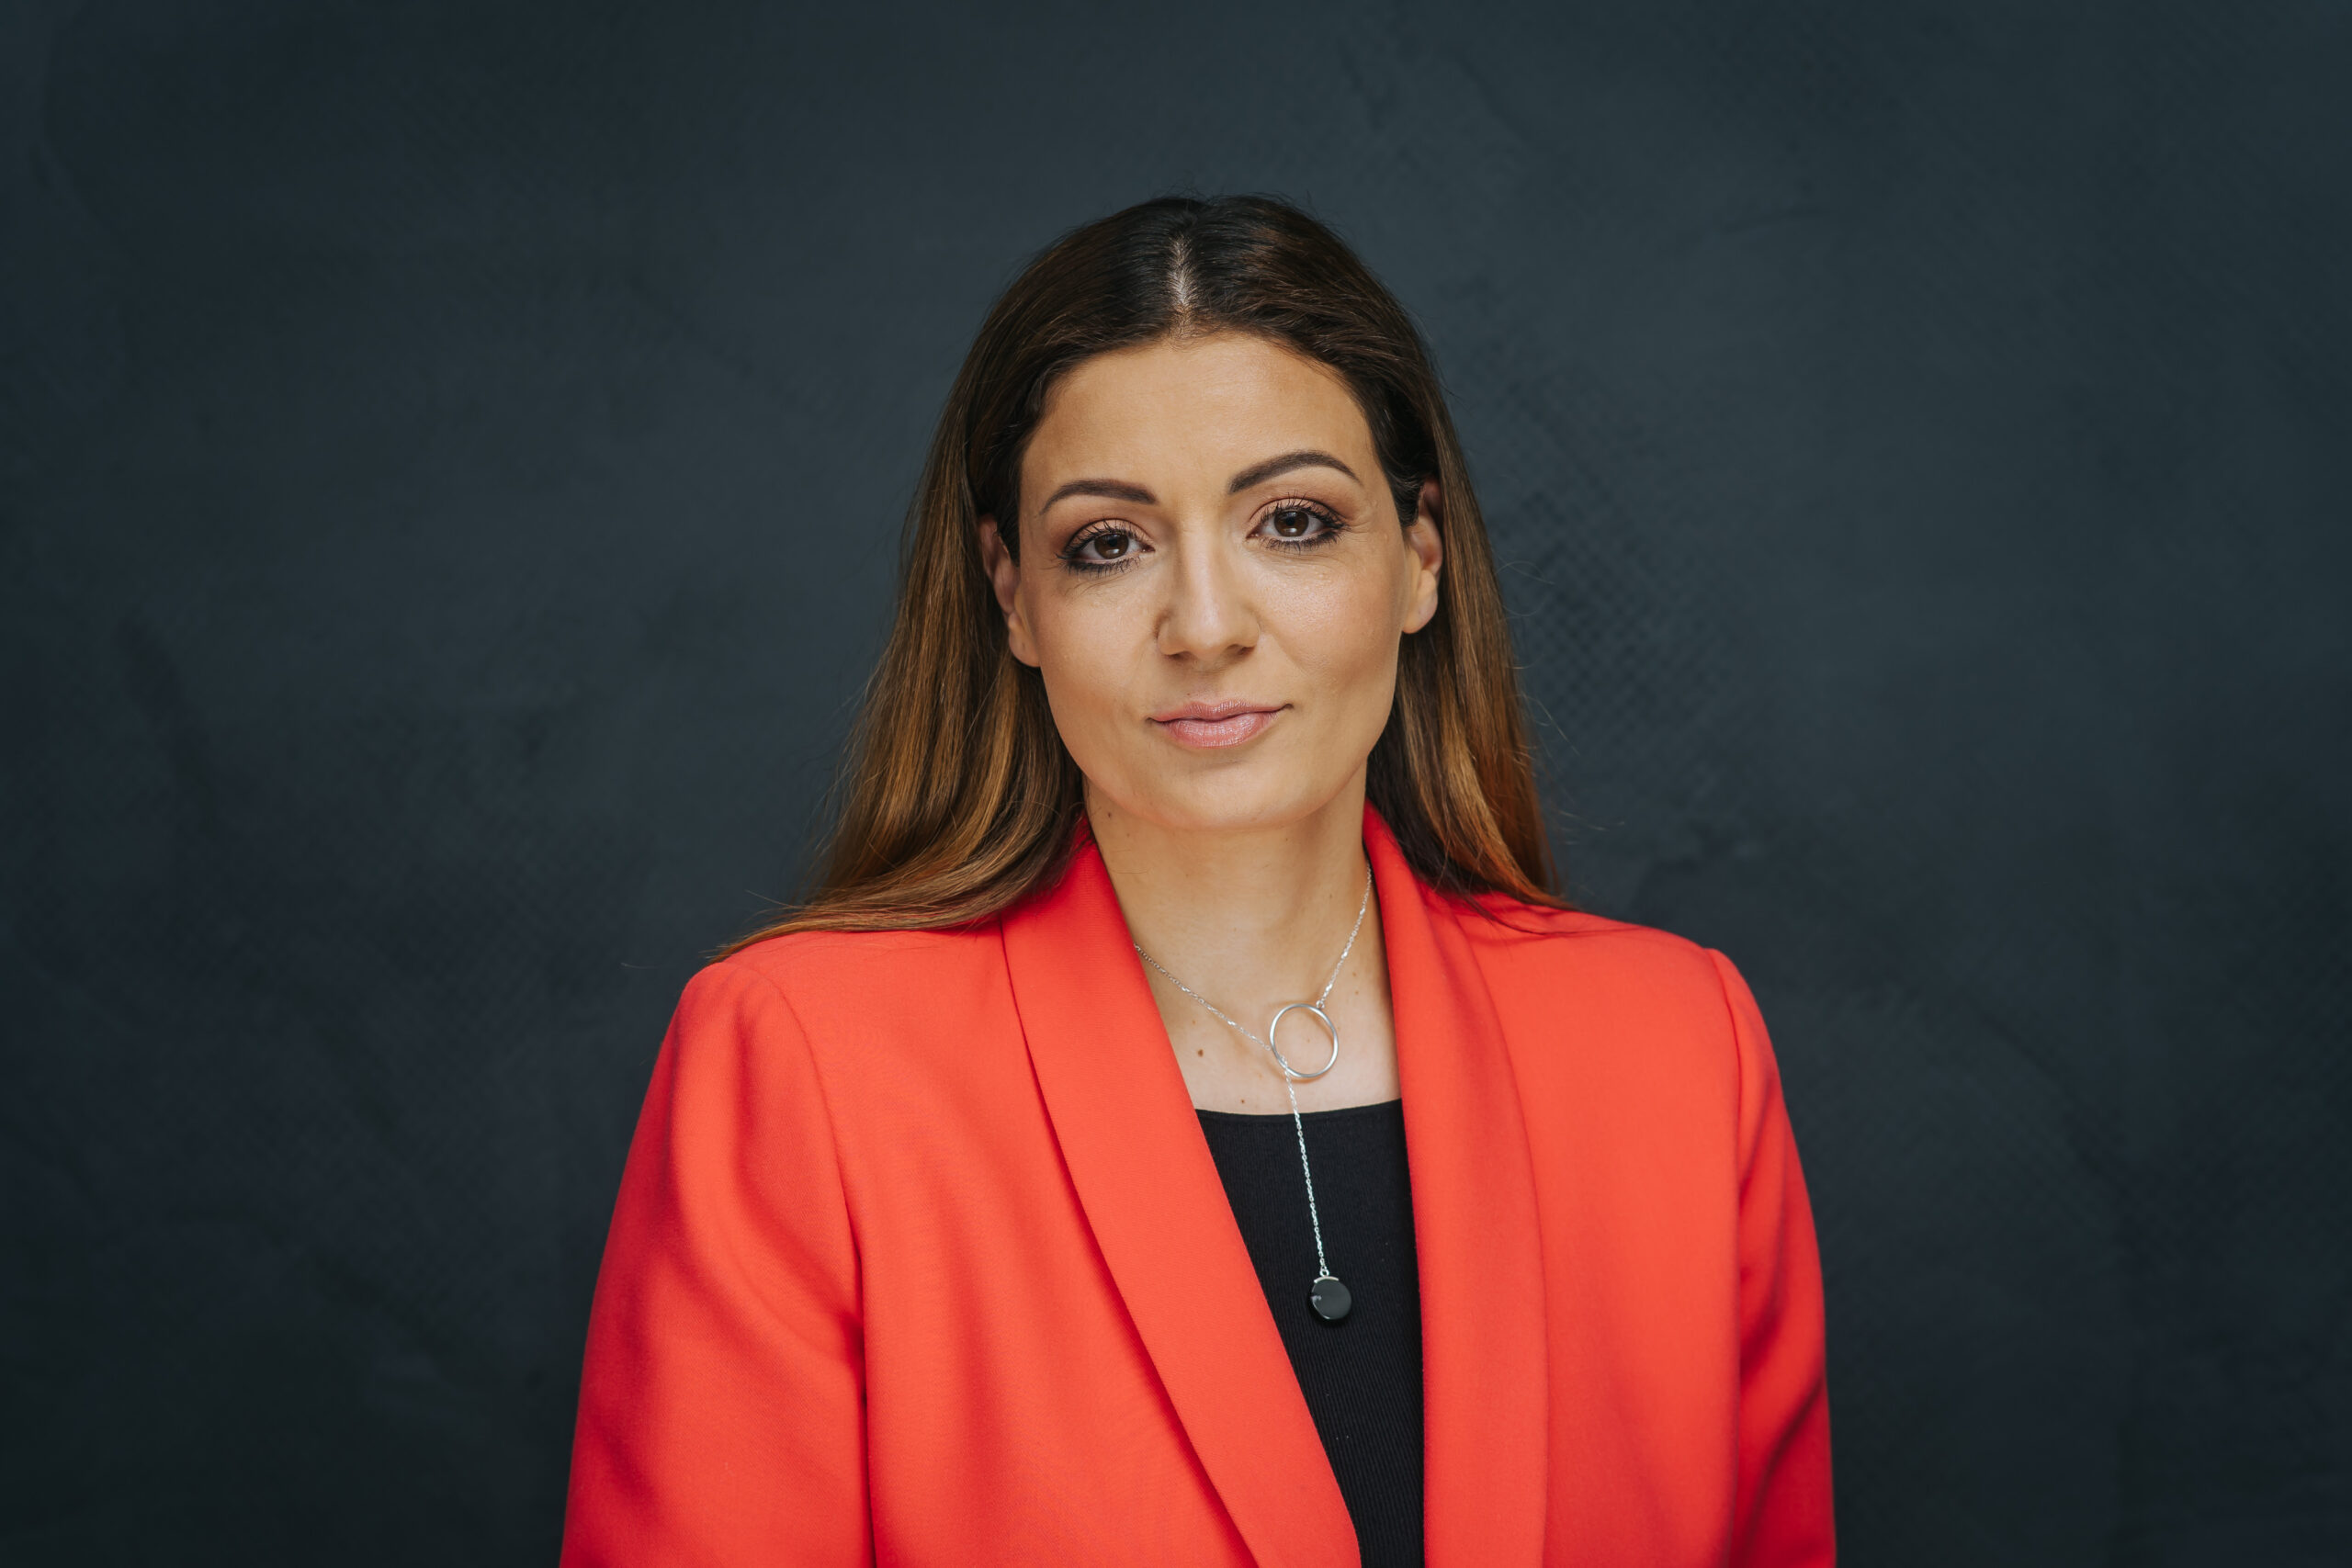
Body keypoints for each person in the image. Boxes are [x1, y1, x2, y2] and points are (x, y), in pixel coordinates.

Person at [559, 195, 1833, 1567]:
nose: (1206, 627)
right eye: (1109, 544)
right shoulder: (804, 1066)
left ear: (1422, 558)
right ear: (1012, 596)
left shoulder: (1678, 1048)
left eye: (1292, 521)